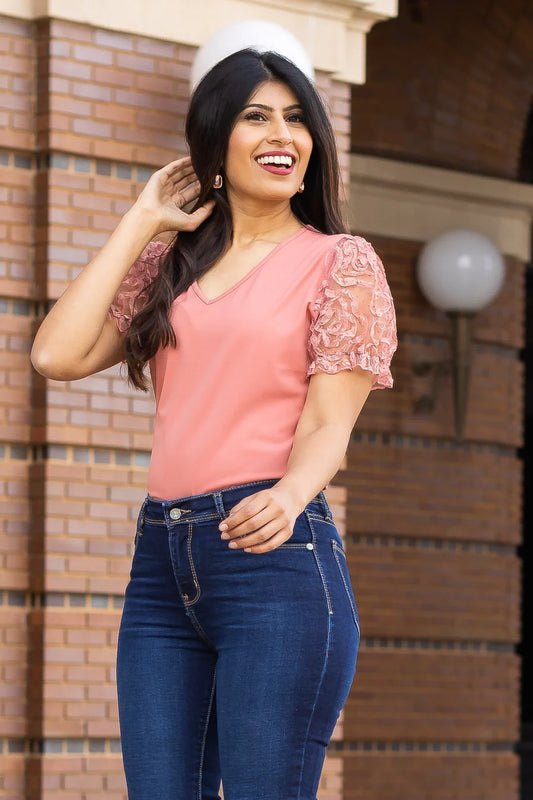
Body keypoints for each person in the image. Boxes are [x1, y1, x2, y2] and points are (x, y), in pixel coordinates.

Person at [31, 48, 397, 800]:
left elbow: (330, 422)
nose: (283, 133)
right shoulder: (171, 266)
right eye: (256, 115)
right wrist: (143, 219)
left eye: (297, 119)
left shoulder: (340, 262)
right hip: (161, 563)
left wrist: (292, 494)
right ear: (214, 146)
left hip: (272, 556)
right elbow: (56, 355)